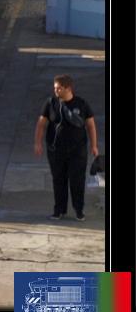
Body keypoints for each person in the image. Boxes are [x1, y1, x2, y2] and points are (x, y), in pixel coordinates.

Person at [34, 74, 99, 220]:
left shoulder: (82, 104)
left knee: (77, 181)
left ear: (68, 88)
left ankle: (79, 210)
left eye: (59, 88)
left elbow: (91, 125)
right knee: (58, 180)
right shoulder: (50, 103)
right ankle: (59, 210)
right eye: (55, 88)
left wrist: (94, 145)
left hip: (77, 151)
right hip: (56, 150)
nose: (55, 91)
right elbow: (41, 124)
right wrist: (37, 143)